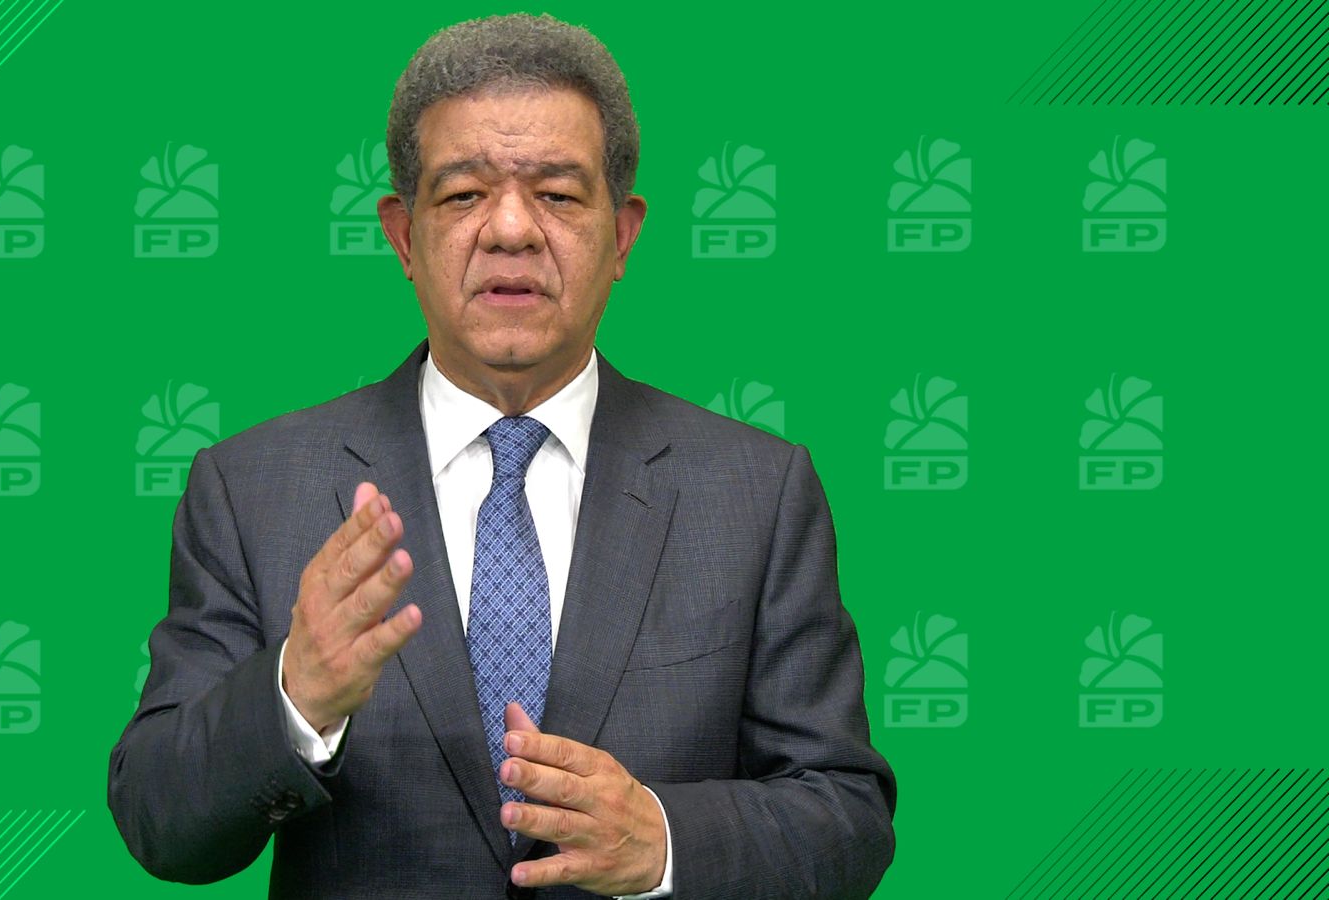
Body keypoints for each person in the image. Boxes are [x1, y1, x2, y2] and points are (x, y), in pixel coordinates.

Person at [108, 13, 896, 899]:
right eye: (463, 196)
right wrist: (295, 695)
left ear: (622, 234)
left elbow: (848, 817)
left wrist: (664, 840)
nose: (512, 229)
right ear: (403, 236)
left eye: (557, 194)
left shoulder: (756, 494)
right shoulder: (251, 489)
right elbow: (157, 819)